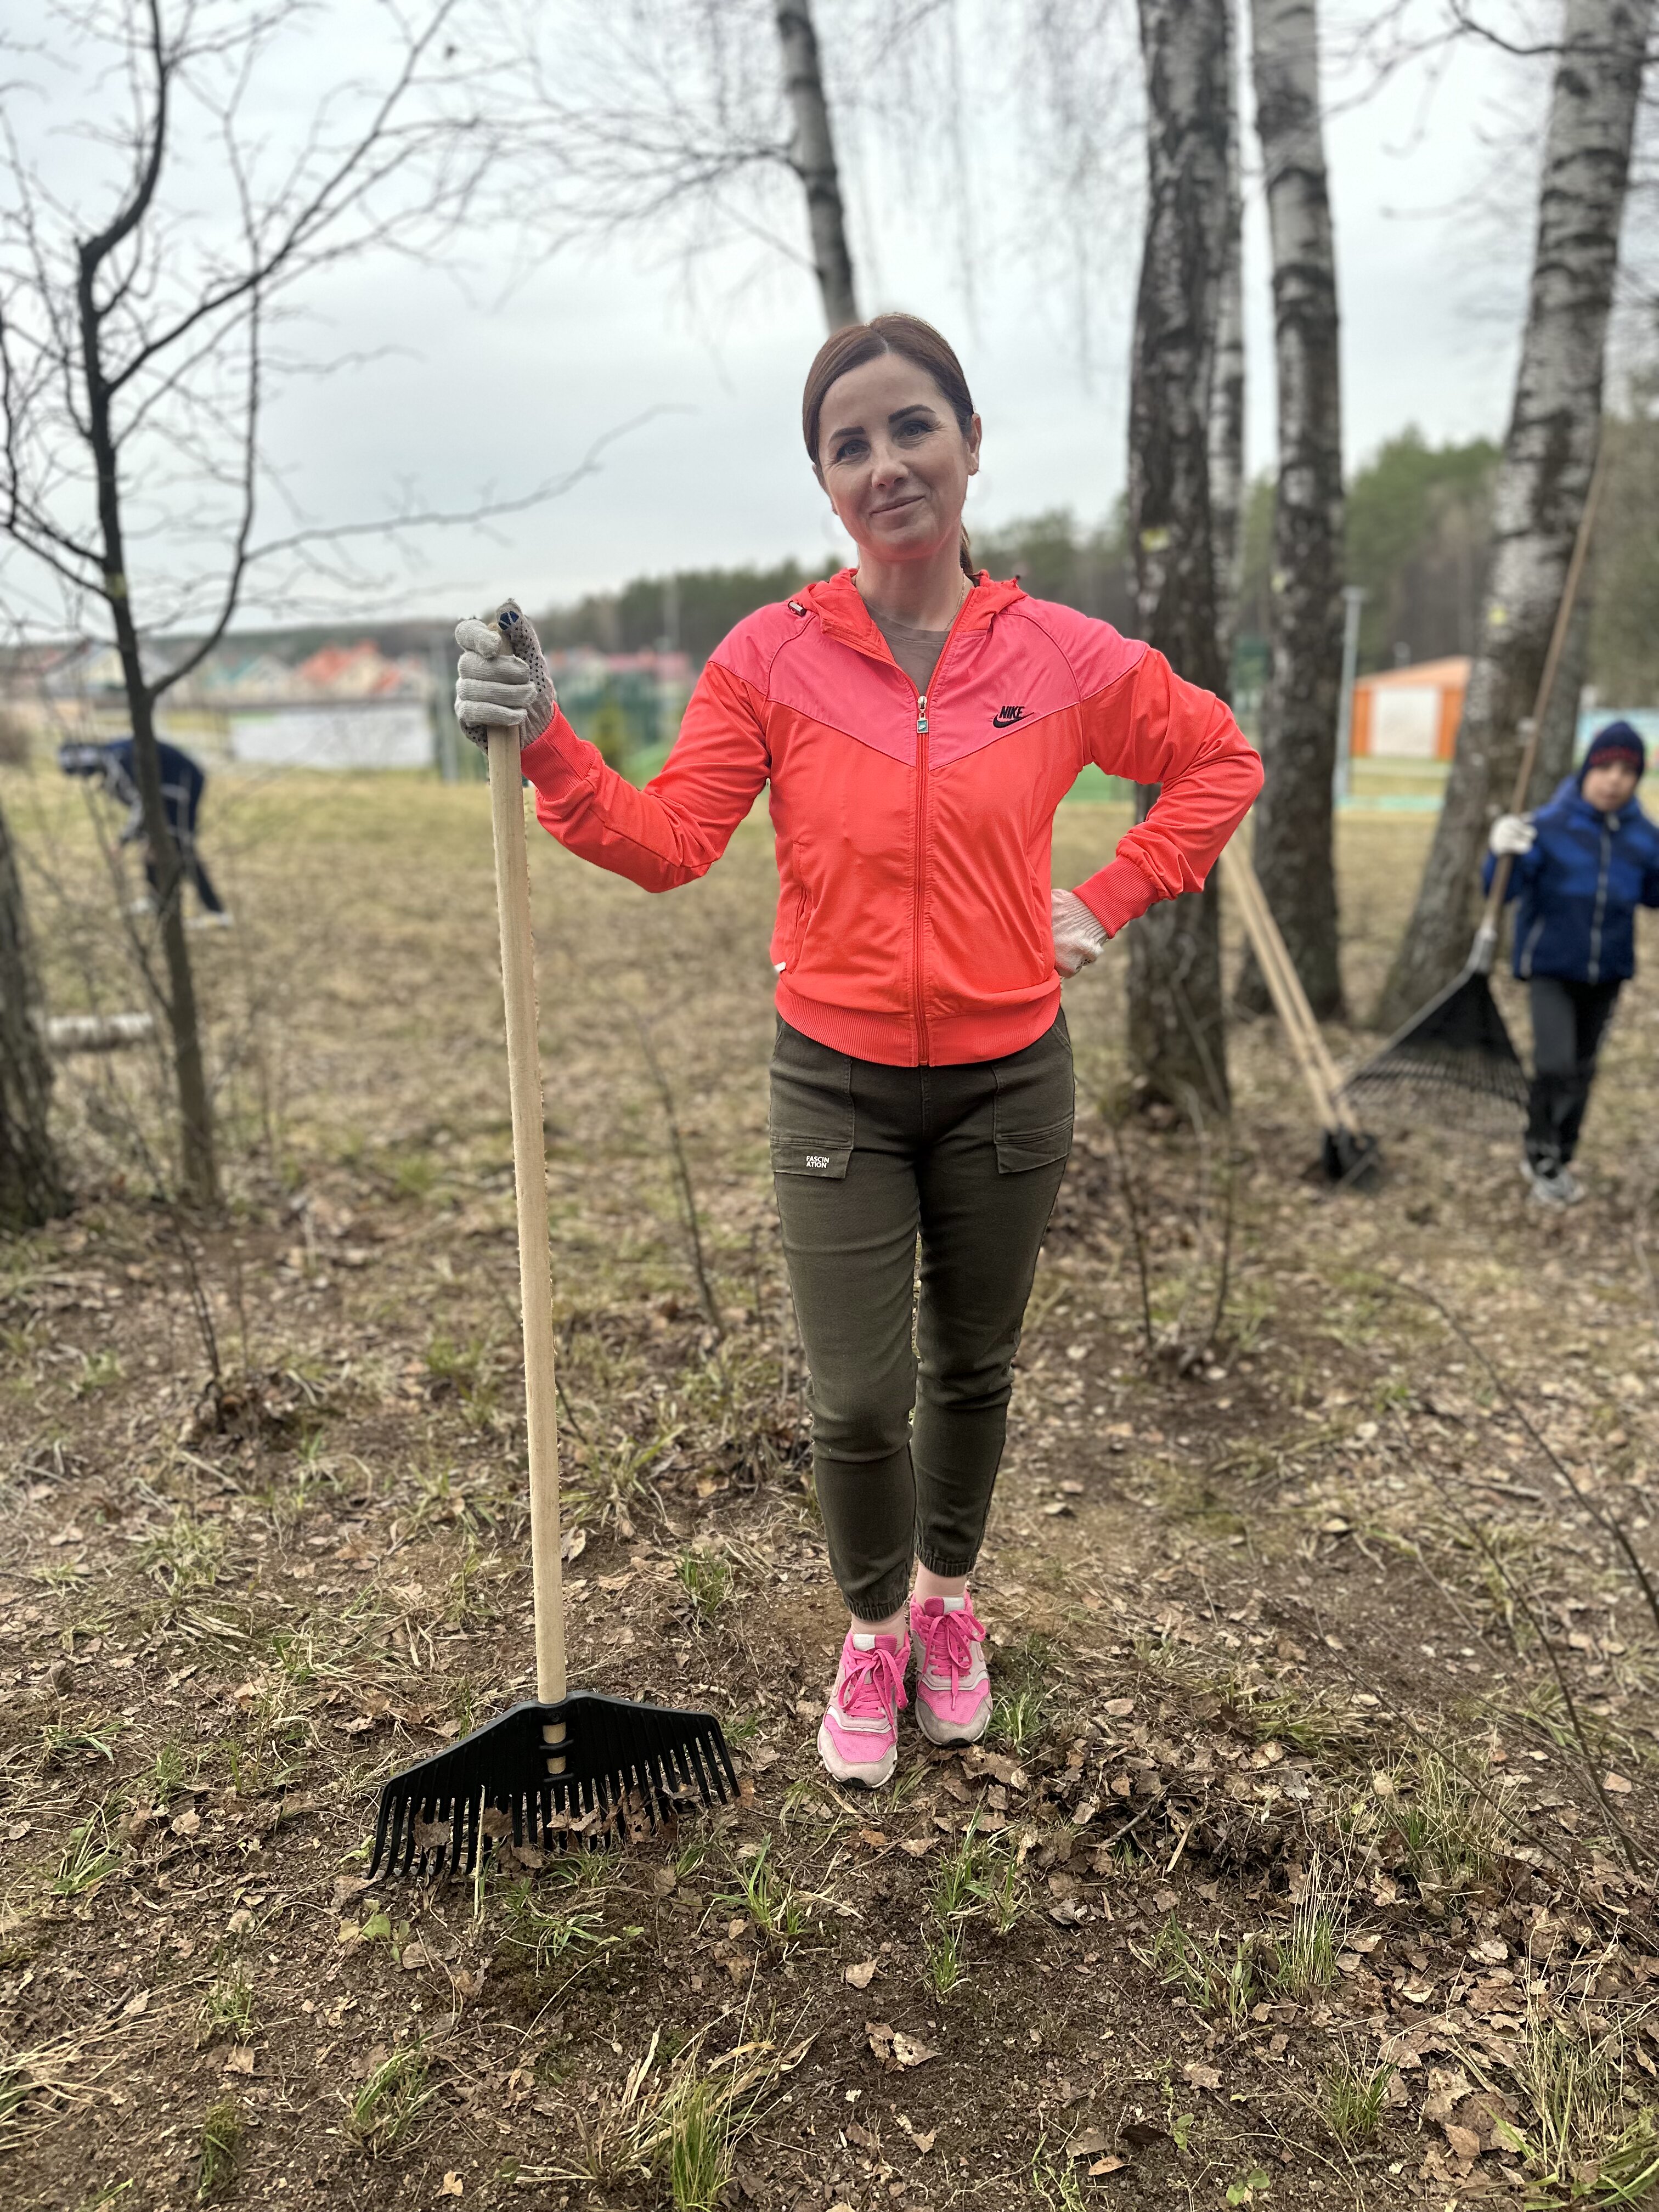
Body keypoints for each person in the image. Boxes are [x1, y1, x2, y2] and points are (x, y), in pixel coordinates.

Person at [454, 313, 1262, 1787]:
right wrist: (554, 743)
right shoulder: (771, 659)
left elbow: (1221, 759)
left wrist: (1111, 894)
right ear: (824, 482)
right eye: (849, 444)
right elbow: (670, 842)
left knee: (972, 1367)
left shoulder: (1064, 656)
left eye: (912, 427)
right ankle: (875, 1625)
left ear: (969, 443)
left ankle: (950, 1603)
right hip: (833, 1082)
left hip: (1012, 1079)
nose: (886, 462)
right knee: (853, 1397)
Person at [1486, 720, 1659, 1206]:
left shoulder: (1644, 837)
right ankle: (1538, 1147)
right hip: (1551, 967)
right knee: (1555, 1063)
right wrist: (1500, 852)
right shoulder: (1546, 827)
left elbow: (1653, 894)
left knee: (1583, 1068)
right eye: (1606, 768)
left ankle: (1561, 1154)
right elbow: (1501, 889)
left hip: (1608, 971)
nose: (1615, 780)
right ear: (1587, 770)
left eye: (1628, 771)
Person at [59, 734, 230, 923]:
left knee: (180, 847)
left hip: (181, 786)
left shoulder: (119, 760)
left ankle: (216, 912)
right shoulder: (113, 756)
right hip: (166, 789)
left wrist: (123, 840)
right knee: (149, 845)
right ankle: (156, 900)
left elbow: (141, 804)